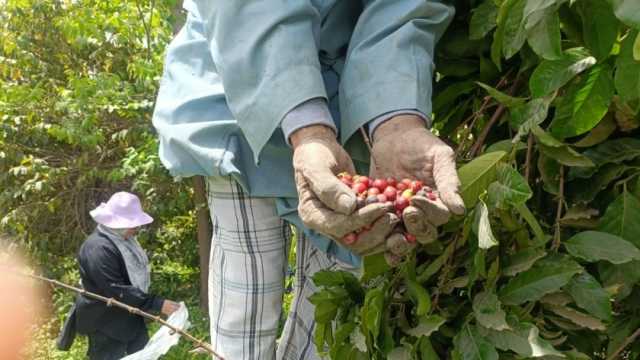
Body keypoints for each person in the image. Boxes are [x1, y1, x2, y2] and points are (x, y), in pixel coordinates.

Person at [152, 1, 464, 359]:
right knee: (245, 322)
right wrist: (308, 131)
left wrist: (397, 123)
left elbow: (404, 8)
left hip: (353, 110)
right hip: (241, 87)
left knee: (330, 316)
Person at [69, 192, 180, 360]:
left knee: (143, 355)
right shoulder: (98, 249)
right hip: (105, 324)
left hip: (130, 316)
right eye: (133, 225)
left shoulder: (123, 241)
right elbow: (116, 290)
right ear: (117, 224)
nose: (137, 230)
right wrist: (157, 303)